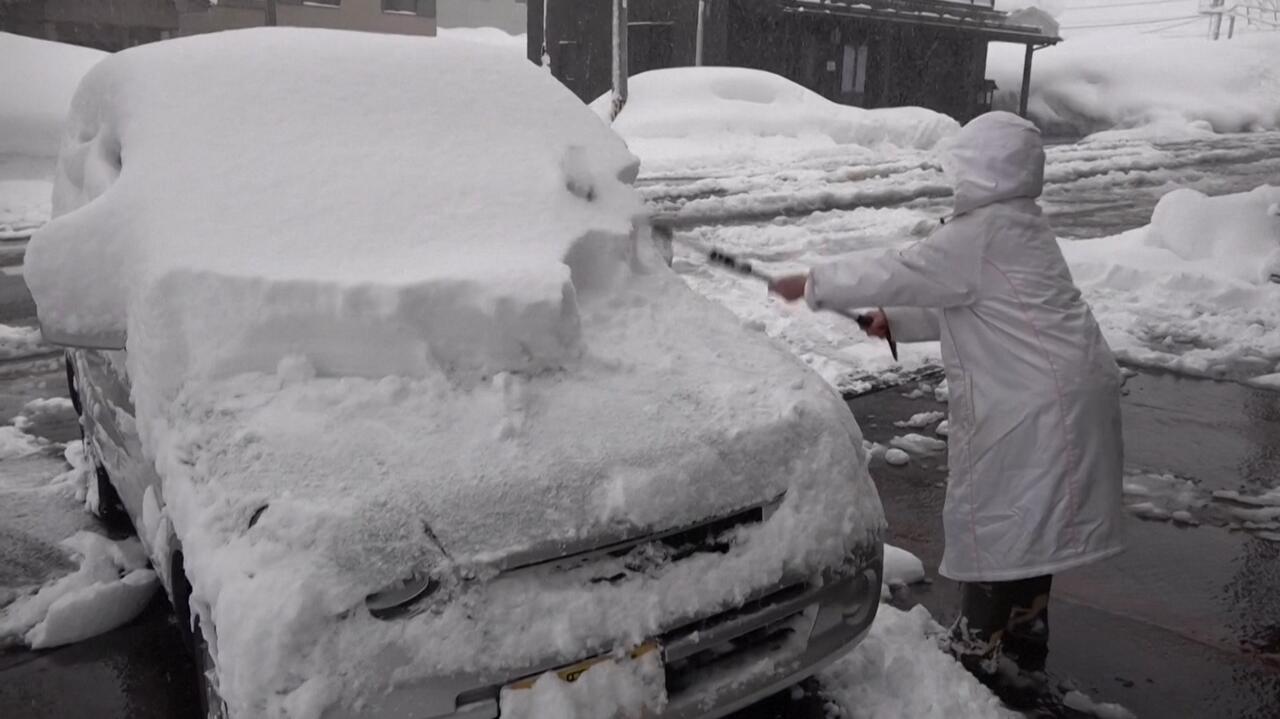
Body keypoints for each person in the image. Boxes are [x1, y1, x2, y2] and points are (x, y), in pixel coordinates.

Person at [770, 112, 1126, 704]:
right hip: (1054, 396)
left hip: (1035, 406)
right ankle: (1019, 642)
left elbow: (903, 270)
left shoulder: (981, 233)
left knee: (1004, 519)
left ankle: (982, 650)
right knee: (1026, 526)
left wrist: (813, 283)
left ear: (980, 169)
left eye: (960, 168)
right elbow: (972, 304)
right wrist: (898, 320)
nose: (954, 179)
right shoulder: (1016, 228)